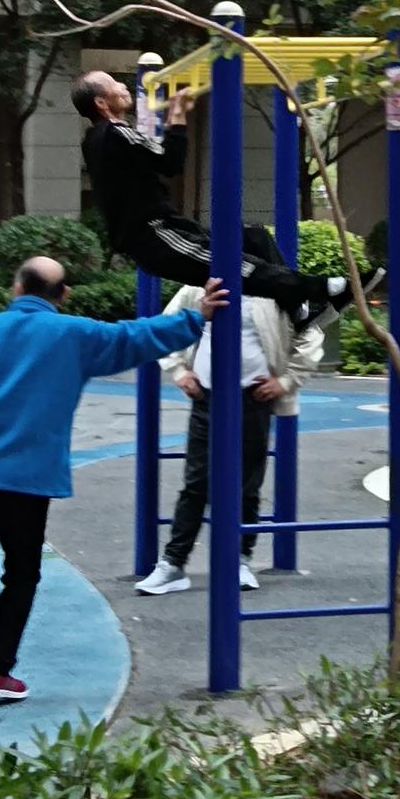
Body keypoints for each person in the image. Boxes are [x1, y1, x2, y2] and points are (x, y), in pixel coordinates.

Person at [0, 256, 228, 710]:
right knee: (21, 574)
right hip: (29, 479)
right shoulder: (76, 335)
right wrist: (197, 317)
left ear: (16, 288)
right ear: (63, 295)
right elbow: (135, 337)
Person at [71, 70, 381, 322]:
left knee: (254, 238)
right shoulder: (116, 133)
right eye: (114, 84)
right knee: (235, 264)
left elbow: (151, 162)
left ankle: (297, 310)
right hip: (156, 234)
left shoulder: (96, 140)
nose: (123, 86)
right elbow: (171, 161)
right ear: (101, 102)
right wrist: (177, 117)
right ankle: (325, 289)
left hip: (166, 230)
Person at [136, 232, 326, 597]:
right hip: (207, 396)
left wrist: (286, 381)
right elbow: (170, 323)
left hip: (252, 397)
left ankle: (239, 559)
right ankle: (173, 563)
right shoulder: (202, 287)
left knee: (246, 484)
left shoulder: (278, 293)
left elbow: (310, 337)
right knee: (196, 482)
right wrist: (179, 370)